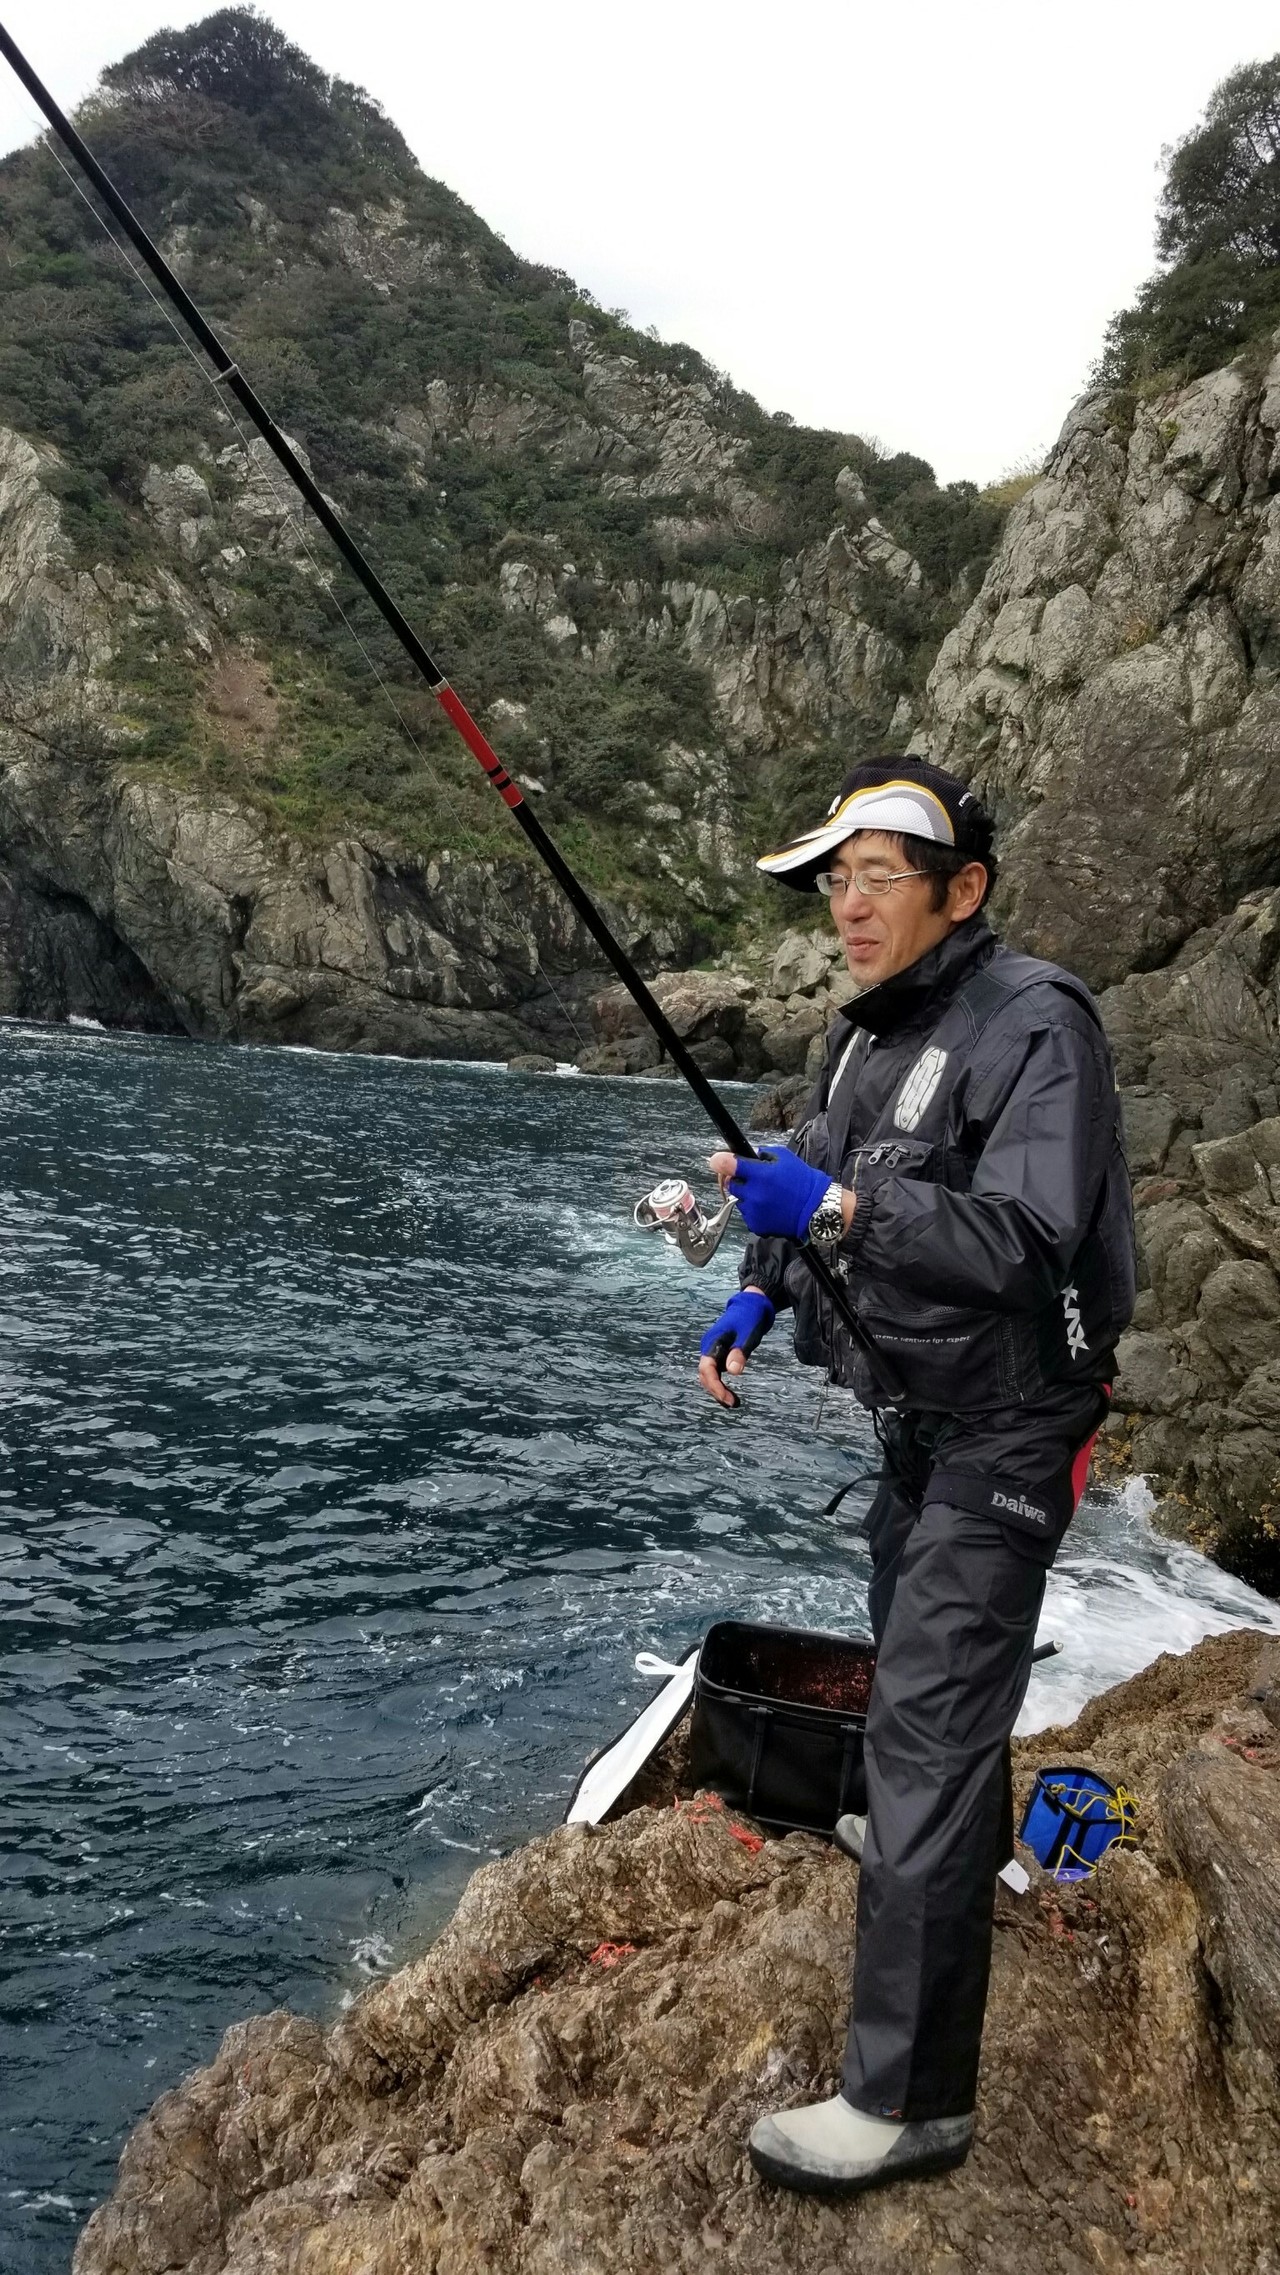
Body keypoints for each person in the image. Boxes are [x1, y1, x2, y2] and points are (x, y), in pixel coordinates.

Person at [697, 754, 1136, 2198]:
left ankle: (908, 2104)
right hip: (922, 1422)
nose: (849, 904)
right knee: (920, 1666)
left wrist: (832, 1206)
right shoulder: (865, 1034)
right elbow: (813, 1172)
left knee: (929, 1724)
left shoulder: (1038, 1023)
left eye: (879, 876)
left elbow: (1025, 1237)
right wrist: (759, 1287)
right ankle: (954, 1849)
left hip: (1011, 1425)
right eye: (837, 880)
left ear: (963, 891)